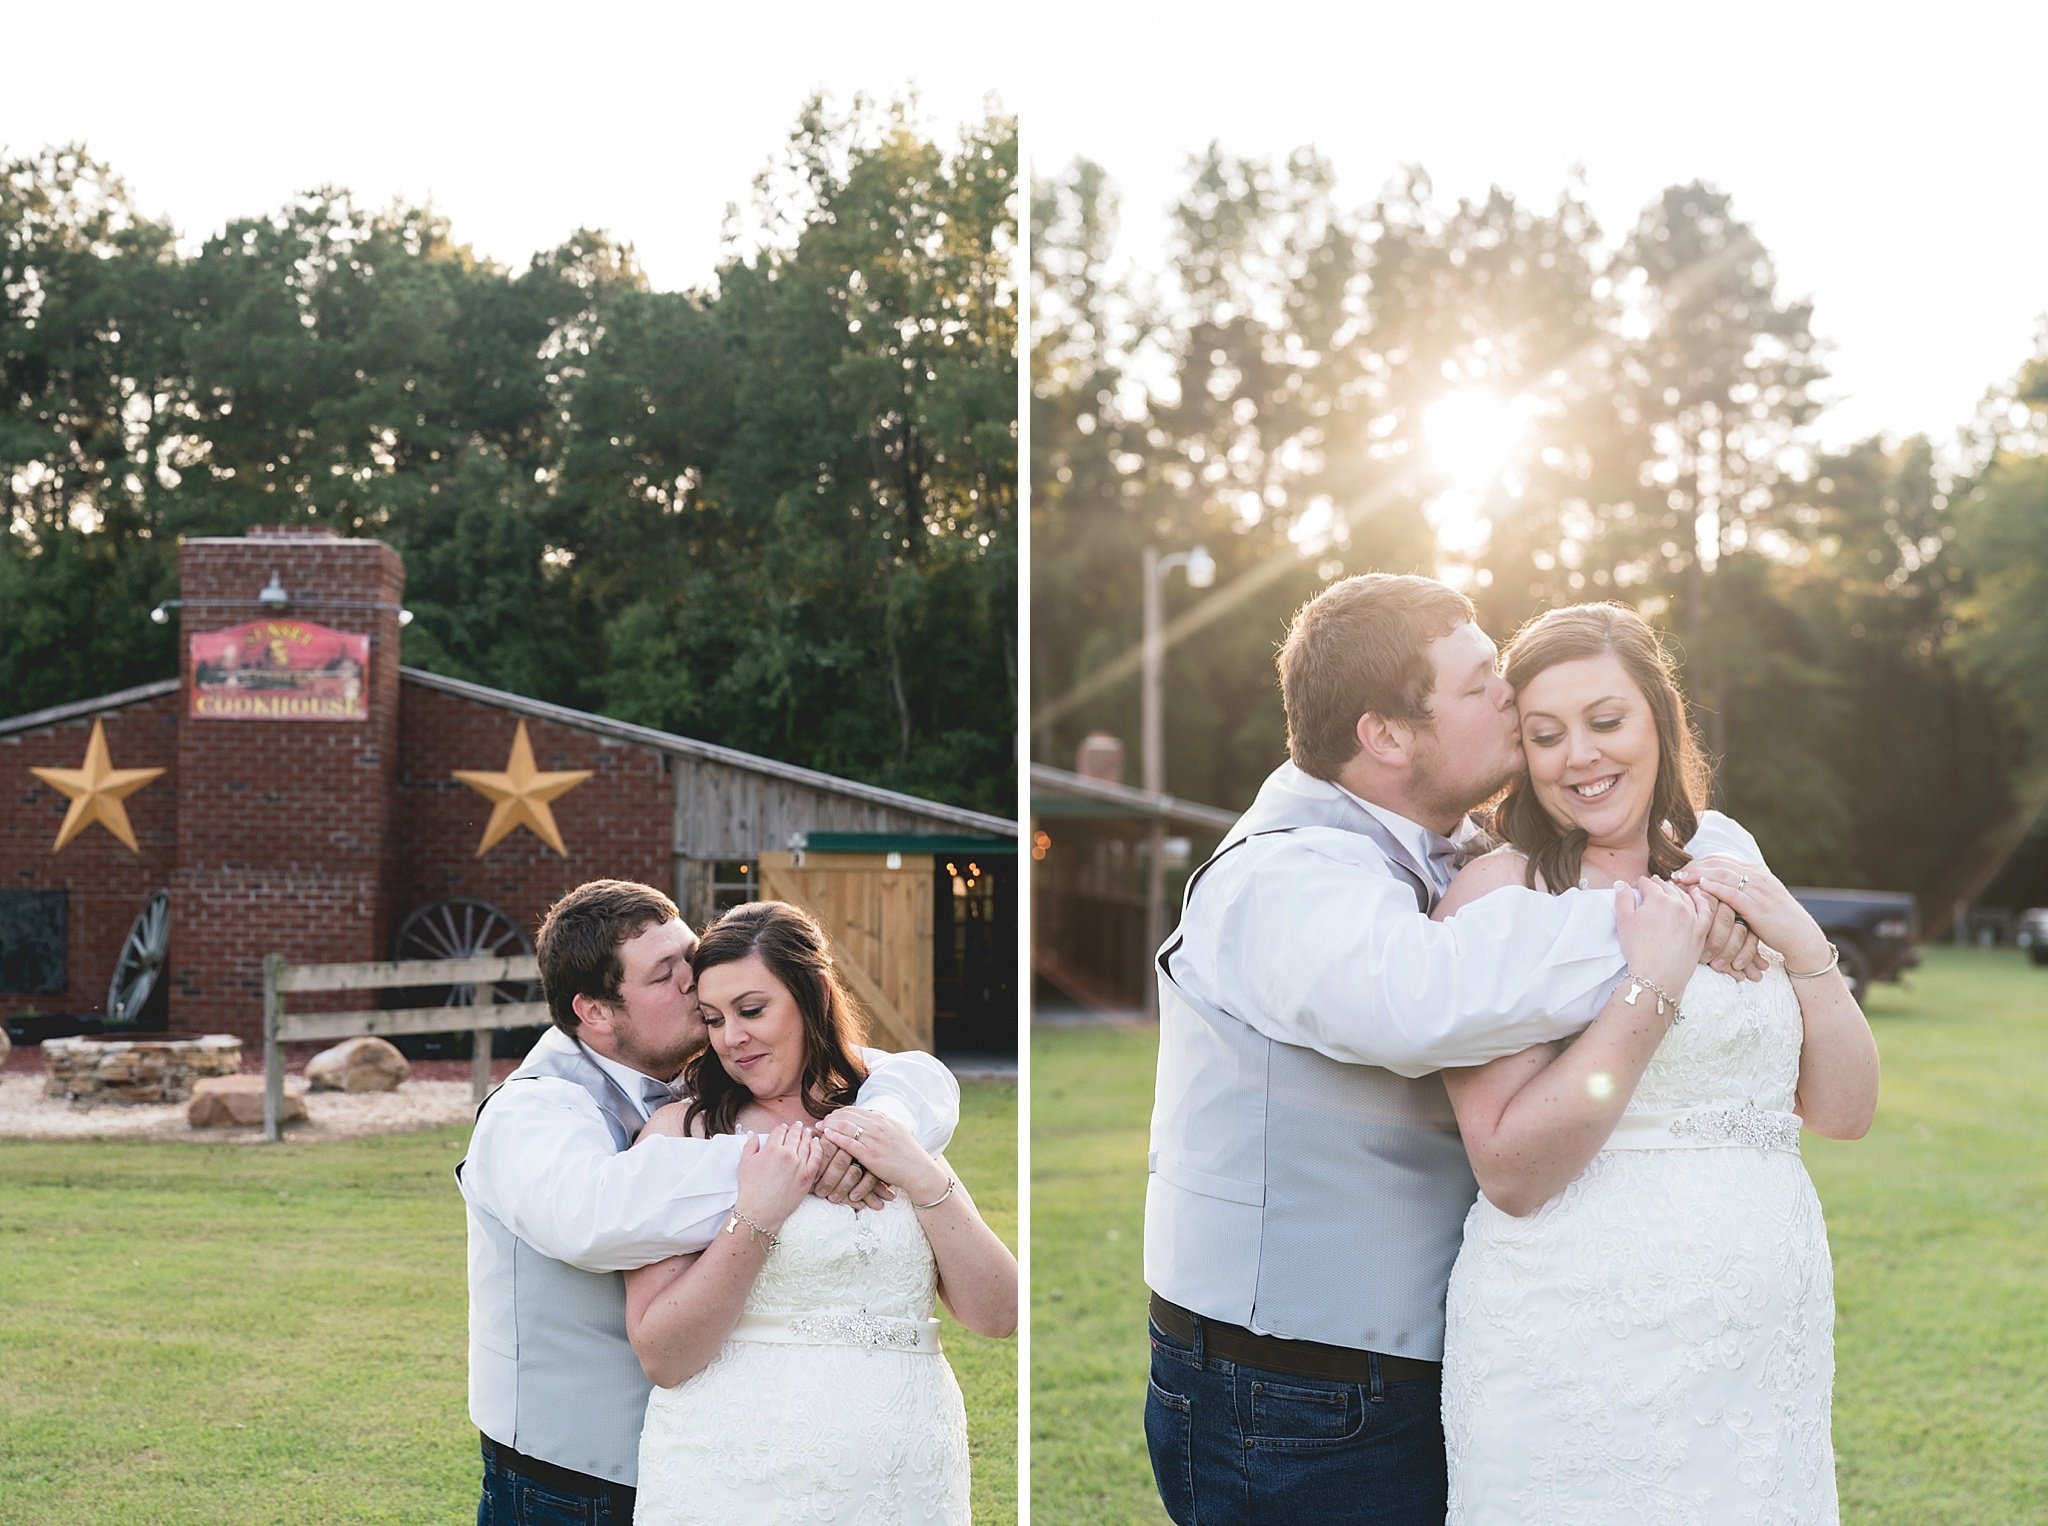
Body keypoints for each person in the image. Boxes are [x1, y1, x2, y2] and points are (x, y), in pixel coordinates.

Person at [1143, 572, 1768, 1526]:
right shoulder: (1282, 875)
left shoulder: (1448, 848)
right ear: (1386, 735)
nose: (1513, 698)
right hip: (1289, 1393)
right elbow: (1426, 999)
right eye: (1482, 684)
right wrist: (1668, 919)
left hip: (1409, 1366)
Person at [1436, 603, 1878, 1523]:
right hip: (1580, 1339)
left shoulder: (1724, 853)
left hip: (1761, 1348)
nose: (1580, 757)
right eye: (1546, 735)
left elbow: (1843, 1111)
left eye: (1607, 721)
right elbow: (1512, 1171)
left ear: (1659, 721)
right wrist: (1653, 981)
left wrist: (1804, 946)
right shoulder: (1503, 893)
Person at [458, 879, 960, 1525]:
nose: (696, 986)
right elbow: (591, 1223)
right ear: (596, 1012)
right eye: (667, 975)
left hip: (712, 1454)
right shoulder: (534, 1108)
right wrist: (807, 1154)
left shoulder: (718, 1077)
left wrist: (872, 1130)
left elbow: (912, 1077)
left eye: (690, 958)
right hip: (571, 1476)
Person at [624, 899, 1017, 1525]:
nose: (732, 1038)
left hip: (907, 1470)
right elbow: (662, 1356)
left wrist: (921, 1173)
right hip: (738, 1476)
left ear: (813, 995)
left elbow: (998, 1314)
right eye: (713, 1018)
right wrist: (755, 1218)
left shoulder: (893, 1114)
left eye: (752, 1010)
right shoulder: (682, 1135)